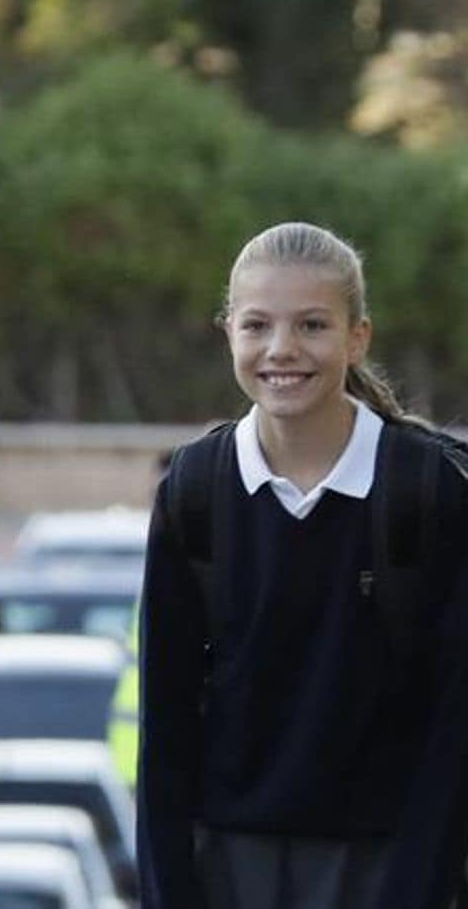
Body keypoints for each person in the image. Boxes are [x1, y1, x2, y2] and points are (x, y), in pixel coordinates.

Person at [138, 221, 468, 909]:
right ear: (228, 331)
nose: (282, 350)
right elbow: (164, 723)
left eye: (312, 325)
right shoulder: (196, 488)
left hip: (392, 865)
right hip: (230, 864)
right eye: (256, 325)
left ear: (357, 338)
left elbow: (454, 724)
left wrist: (422, 886)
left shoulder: (431, 489)